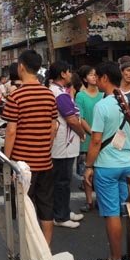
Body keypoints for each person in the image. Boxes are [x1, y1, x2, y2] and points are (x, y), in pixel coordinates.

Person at [84, 62, 130, 260]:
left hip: (106, 166)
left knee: (112, 213)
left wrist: (88, 166)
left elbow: (96, 140)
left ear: (105, 78)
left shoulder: (102, 105)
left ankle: (115, 257)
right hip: (128, 164)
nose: (96, 81)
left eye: (97, 77)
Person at [2, 51, 58, 245]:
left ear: (22, 67)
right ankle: (45, 251)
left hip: (23, 166)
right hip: (45, 162)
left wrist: (7, 161)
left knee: (25, 208)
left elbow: (10, 131)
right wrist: (45, 147)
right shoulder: (49, 94)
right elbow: (53, 126)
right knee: (46, 207)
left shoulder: (16, 96)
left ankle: (29, 251)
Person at [48, 61, 86, 229]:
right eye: (69, 72)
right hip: (63, 145)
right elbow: (71, 119)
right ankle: (60, 216)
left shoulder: (59, 91)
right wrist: (81, 133)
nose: (71, 75)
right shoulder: (59, 94)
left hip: (64, 145)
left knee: (63, 181)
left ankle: (64, 210)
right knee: (62, 182)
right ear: (63, 74)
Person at [75, 65, 103, 213]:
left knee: (100, 171)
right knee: (87, 170)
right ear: (85, 78)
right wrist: (92, 131)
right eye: (91, 75)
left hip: (102, 138)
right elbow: (81, 117)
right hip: (88, 138)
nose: (94, 77)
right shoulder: (80, 96)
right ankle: (89, 201)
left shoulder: (103, 94)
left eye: (96, 74)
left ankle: (100, 199)